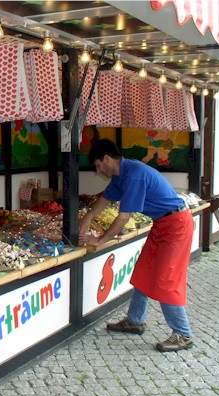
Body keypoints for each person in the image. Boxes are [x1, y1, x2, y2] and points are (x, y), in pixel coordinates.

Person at [79, 138, 194, 352]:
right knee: (143, 272)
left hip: (176, 225)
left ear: (107, 159)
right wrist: (87, 218)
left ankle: (183, 333)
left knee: (166, 278)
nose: (98, 171)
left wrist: (100, 240)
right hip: (162, 224)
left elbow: (123, 218)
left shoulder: (134, 175)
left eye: (98, 165)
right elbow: (105, 200)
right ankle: (135, 321)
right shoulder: (120, 175)